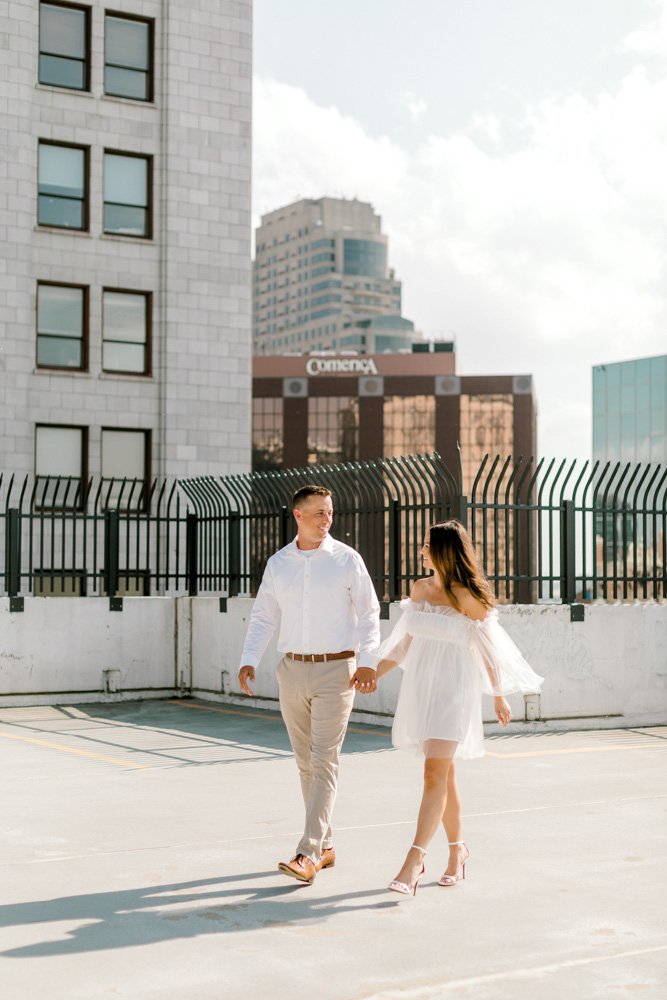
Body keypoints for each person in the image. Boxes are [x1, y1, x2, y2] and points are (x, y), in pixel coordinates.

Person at [376, 519, 543, 896]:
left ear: (444, 551)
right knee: (443, 775)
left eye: (426, 545)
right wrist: (371, 673)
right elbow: (403, 645)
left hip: (454, 690)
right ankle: (457, 851)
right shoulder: (419, 588)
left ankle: (413, 861)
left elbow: (489, 649)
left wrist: (498, 694)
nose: (421, 551)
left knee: (433, 773)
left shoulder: (467, 597)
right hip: (422, 689)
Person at [237, 484, 381, 885]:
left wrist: (368, 662)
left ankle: (308, 851)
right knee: (305, 763)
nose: (326, 520)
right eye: (318, 513)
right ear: (297, 515)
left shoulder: (347, 560)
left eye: (329, 513)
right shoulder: (279, 563)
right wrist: (249, 659)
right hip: (292, 671)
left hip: (338, 673)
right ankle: (327, 844)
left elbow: (370, 614)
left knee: (324, 760)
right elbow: (264, 616)